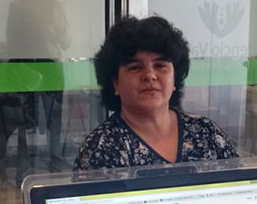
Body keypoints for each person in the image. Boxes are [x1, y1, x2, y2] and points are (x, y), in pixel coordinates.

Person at [73, 16, 238, 170]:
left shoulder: (206, 133)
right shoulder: (101, 149)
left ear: (175, 79)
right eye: (135, 67)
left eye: (160, 66)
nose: (150, 75)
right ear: (115, 82)